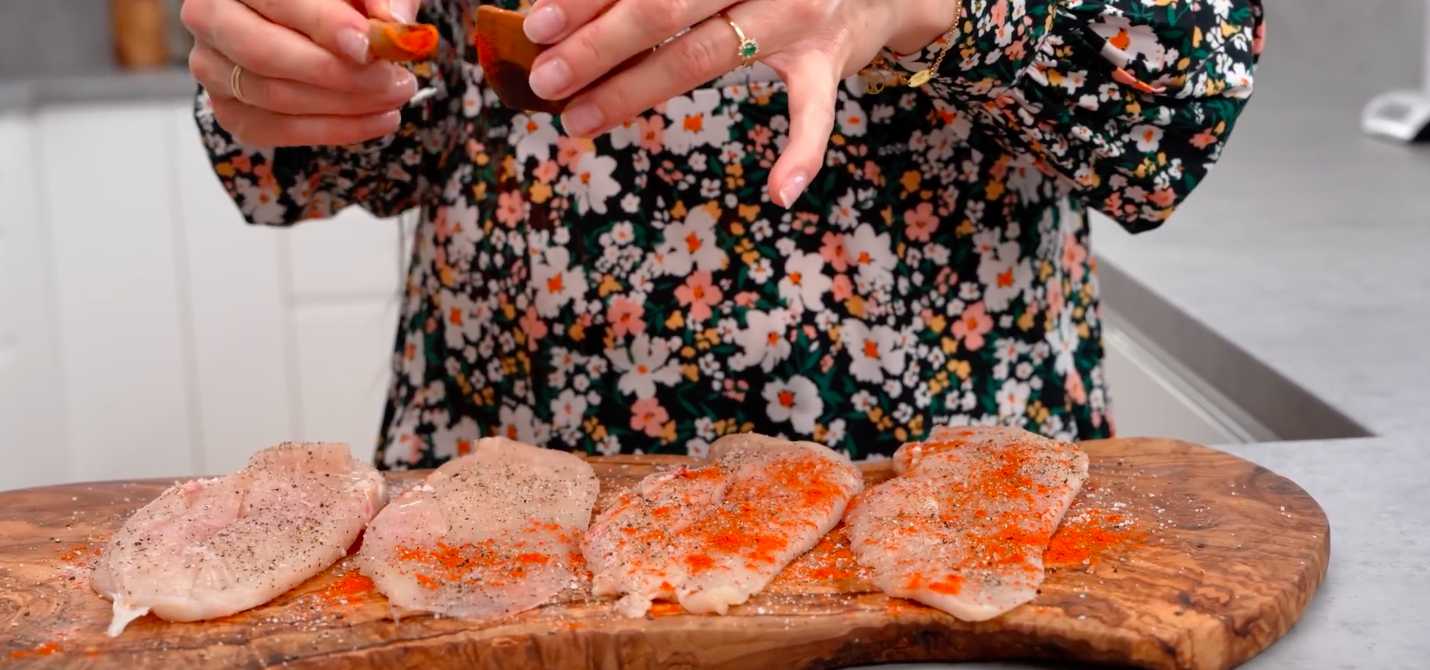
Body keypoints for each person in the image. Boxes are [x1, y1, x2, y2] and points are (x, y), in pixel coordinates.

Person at [179, 0, 1265, 467]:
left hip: (948, 499)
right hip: (497, 491)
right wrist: (290, 58)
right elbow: (335, 145)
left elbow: (1174, 95)